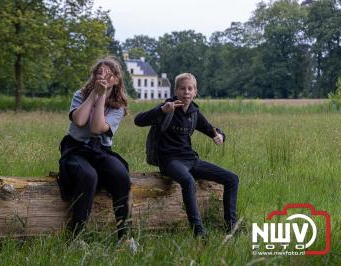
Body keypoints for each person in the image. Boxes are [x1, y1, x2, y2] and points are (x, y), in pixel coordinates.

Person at [134, 73, 239, 238]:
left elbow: (212, 129)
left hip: (191, 160)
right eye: (182, 88)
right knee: (188, 180)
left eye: (190, 88)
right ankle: (198, 231)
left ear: (195, 92)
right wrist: (161, 110)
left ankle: (231, 228)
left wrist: (220, 136)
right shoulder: (167, 107)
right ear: (176, 91)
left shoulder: (193, 112)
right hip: (170, 161)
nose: (186, 92)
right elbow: (138, 120)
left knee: (232, 178)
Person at [58, 57, 131, 240]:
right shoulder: (80, 94)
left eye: (108, 74)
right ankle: (76, 236)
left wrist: (103, 96)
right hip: (76, 149)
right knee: (88, 176)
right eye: (100, 73)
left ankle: (124, 237)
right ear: (93, 76)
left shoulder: (119, 107)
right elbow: (80, 121)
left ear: (116, 79)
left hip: (100, 151)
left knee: (121, 174)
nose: (103, 77)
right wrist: (94, 95)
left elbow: (96, 128)